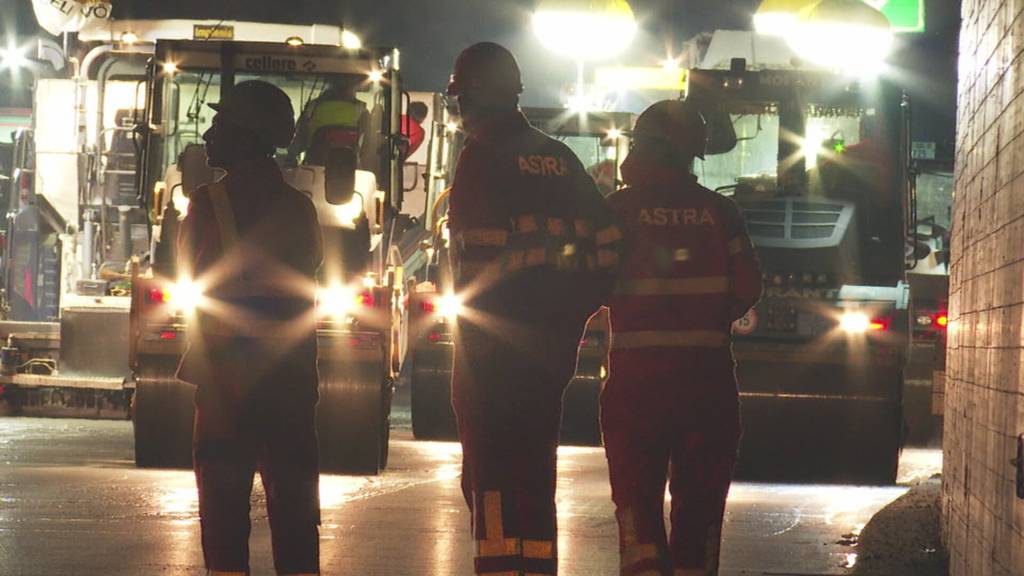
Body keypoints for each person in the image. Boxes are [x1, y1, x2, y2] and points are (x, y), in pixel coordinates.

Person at [445, 42, 622, 575]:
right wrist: (567, 319)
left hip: (490, 349)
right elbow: (608, 247)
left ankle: (500, 569)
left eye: (459, 96)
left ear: (473, 93)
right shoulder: (562, 159)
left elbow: (474, 261)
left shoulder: (481, 156)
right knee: (533, 470)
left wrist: (479, 341)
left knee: (490, 473)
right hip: (548, 350)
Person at [601, 100, 763, 576]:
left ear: (646, 145)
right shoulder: (720, 212)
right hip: (706, 384)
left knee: (636, 501)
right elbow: (748, 287)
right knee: (700, 507)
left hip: (636, 388)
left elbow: (591, 283)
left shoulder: (618, 211)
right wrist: (708, 318)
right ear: (692, 153)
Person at [177, 80, 323, 576]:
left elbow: (192, 276)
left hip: (226, 380)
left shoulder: (206, 205)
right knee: (296, 510)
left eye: (220, 125)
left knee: (222, 510)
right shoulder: (300, 208)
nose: (209, 135)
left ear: (244, 136)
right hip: (290, 378)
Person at [288, 75, 370, 167]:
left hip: (316, 167)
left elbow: (301, 138)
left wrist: (290, 156)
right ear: (352, 88)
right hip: (351, 168)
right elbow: (369, 144)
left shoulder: (313, 108)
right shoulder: (361, 109)